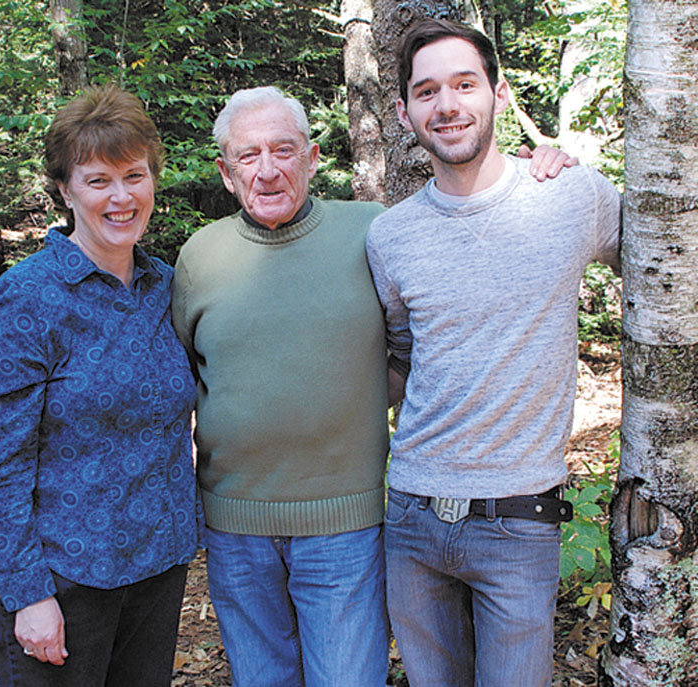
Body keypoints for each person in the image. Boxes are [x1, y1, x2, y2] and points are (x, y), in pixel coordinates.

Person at [171, 85, 574, 687]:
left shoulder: (372, 233)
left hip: (345, 523)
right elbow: (181, 381)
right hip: (234, 530)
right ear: (227, 173)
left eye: (283, 150)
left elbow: (433, 318)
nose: (268, 169)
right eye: (248, 156)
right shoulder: (198, 257)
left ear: (310, 157)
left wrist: (540, 169)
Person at [365, 18, 622, 687]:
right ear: (404, 111)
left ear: (499, 95)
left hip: (519, 522)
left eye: (464, 84)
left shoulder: (569, 196)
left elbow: (668, 263)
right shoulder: (390, 237)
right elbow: (403, 357)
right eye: (427, 91)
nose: (447, 104)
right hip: (413, 517)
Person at [0, 84, 201, 687]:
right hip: (66, 581)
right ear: (65, 189)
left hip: (157, 567)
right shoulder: (26, 300)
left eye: (135, 175)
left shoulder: (168, 288)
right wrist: (27, 594)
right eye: (98, 180)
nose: (121, 197)